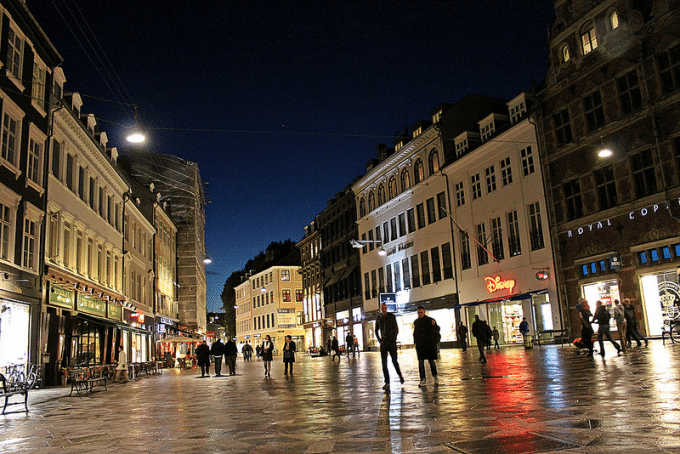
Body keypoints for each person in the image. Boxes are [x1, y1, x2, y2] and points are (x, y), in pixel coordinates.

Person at [376, 302, 404, 392]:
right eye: (382, 308)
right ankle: (387, 382)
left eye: (385, 308)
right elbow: (376, 330)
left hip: (391, 342)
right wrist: (379, 340)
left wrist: (393, 338)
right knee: (384, 364)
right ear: (380, 308)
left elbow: (396, 329)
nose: (384, 310)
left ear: (386, 308)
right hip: (383, 343)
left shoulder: (391, 317)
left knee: (394, 361)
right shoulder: (379, 318)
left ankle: (400, 375)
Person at [413, 306, 440, 387]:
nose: (419, 314)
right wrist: (416, 342)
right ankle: (422, 379)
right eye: (418, 312)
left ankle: (435, 376)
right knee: (421, 362)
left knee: (431, 361)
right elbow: (415, 333)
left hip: (429, 344)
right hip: (420, 345)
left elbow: (437, 329)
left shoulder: (430, 320)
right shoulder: (416, 322)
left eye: (421, 312)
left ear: (424, 312)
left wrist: (434, 325)